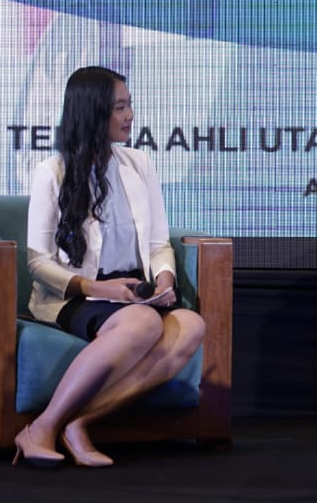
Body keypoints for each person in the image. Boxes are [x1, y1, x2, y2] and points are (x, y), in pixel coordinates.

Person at [14, 66, 206, 468]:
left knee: (191, 325)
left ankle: (80, 422)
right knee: (143, 323)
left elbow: (158, 244)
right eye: (119, 107)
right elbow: (38, 262)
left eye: (129, 105)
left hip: (132, 291)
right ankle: (41, 427)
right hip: (76, 292)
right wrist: (100, 289)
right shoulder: (52, 172)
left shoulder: (139, 164)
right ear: (93, 111)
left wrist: (164, 279)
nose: (130, 115)